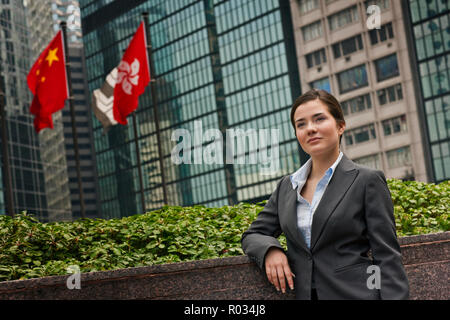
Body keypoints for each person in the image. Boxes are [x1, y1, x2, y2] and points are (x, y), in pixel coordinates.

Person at [241, 89, 409, 300]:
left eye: (319, 119)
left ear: (340, 126)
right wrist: (270, 250)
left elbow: (386, 257)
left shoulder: (366, 180)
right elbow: (253, 235)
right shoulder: (287, 186)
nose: (310, 129)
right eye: (301, 124)